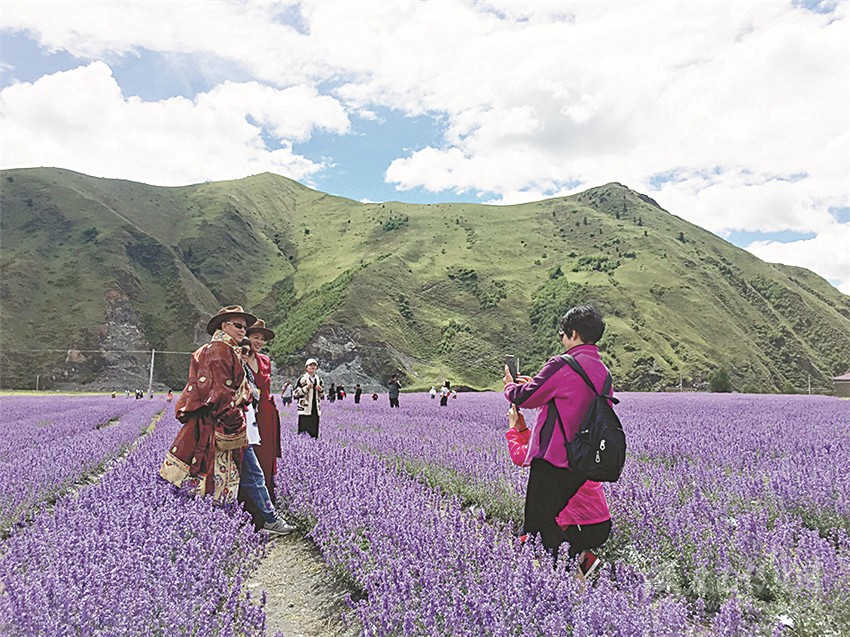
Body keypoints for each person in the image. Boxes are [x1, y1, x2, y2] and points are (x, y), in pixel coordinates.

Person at [503, 305, 613, 564]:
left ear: (573, 333)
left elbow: (525, 398)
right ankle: (578, 563)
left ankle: (577, 566)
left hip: (554, 459)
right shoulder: (603, 372)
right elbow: (572, 402)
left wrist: (509, 386)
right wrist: (539, 384)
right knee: (547, 520)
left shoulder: (562, 364)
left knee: (535, 525)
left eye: (563, 334)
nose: (562, 339)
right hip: (583, 461)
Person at [159, 305, 254, 505]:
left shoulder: (217, 349)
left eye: (245, 327)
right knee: (218, 476)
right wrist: (237, 424)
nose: (243, 331)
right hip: (218, 424)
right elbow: (219, 395)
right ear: (224, 326)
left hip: (209, 421)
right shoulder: (220, 351)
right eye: (238, 325)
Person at [506, 405, 610, 577]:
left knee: (529, 539)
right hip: (598, 522)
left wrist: (513, 429)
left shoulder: (557, 445)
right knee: (531, 534)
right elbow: (538, 451)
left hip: (580, 525)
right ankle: (582, 559)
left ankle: (575, 572)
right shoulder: (580, 443)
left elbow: (523, 456)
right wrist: (523, 430)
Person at [238, 337, 296, 536]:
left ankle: (262, 516)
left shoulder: (261, 362)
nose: (246, 353)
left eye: (262, 339)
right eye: (242, 349)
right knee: (251, 471)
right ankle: (264, 517)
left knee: (257, 468)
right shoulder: (234, 367)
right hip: (240, 423)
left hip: (257, 419)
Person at [245, 319, 282, 502]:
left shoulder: (265, 360)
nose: (259, 342)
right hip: (248, 412)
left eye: (262, 339)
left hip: (266, 413)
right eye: (255, 337)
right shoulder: (241, 358)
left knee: (266, 454)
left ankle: (267, 496)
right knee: (250, 454)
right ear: (247, 337)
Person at [294, 358, 324, 438]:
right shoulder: (302, 379)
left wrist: (320, 390)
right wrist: (306, 388)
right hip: (305, 410)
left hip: (315, 409)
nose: (313, 367)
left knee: (314, 432)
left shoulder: (319, 379)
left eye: (314, 365)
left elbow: (322, 395)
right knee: (304, 431)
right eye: (310, 365)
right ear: (306, 367)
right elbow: (296, 394)